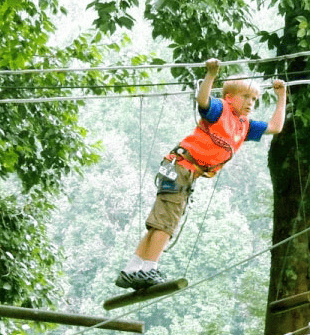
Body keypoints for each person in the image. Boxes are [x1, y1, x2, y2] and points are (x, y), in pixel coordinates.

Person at [115, 58, 288, 290]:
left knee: (160, 221)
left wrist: (281, 97)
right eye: (245, 97)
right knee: (166, 223)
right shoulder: (220, 110)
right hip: (181, 166)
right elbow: (203, 101)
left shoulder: (244, 125)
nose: (250, 103)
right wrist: (211, 75)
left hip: (186, 171)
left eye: (254, 99)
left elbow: (275, 127)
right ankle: (148, 268)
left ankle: (132, 269)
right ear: (229, 97)